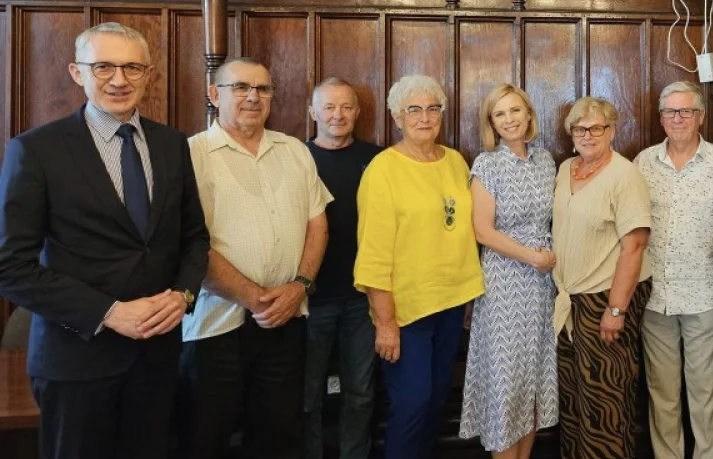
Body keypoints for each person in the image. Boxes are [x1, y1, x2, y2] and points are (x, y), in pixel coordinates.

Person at [0, 22, 209, 459]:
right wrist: (108, 312)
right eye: (103, 67)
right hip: (76, 361)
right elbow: (11, 268)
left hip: (156, 359)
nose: (119, 79)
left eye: (132, 67)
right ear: (77, 72)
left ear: (149, 75)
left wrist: (183, 294)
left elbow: (194, 237)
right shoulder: (36, 151)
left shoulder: (172, 145)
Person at [179, 56, 333, 459]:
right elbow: (189, 242)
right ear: (214, 95)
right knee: (205, 438)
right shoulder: (190, 154)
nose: (253, 96)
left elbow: (317, 225)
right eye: (240, 87)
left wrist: (299, 287)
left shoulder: (294, 150)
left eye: (263, 88)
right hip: (214, 325)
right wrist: (256, 298)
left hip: (286, 320)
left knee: (279, 438)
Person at [355, 74, 484, 459]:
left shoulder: (456, 161)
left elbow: (462, 233)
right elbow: (373, 252)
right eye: (414, 109)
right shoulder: (383, 169)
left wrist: (469, 296)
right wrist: (385, 322)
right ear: (397, 117)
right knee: (412, 403)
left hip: (451, 304)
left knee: (436, 401)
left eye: (432, 108)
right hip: (405, 311)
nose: (425, 117)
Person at [634, 81, 713, 459]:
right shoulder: (643, 162)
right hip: (654, 295)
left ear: (701, 117)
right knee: (662, 393)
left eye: (686, 111)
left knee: (706, 391)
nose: (678, 118)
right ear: (661, 118)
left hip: (705, 294)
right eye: (670, 112)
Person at [459, 84, 558, 459]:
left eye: (515, 110)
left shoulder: (545, 160)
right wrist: (532, 257)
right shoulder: (487, 164)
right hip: (504, 283)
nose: (509, 119)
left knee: (531, 382)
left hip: (542, 286)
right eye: (500, 114)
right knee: (507, 382)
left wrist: (544, 261)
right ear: (491, 123)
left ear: (529, 114)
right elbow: (483, 232)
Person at [552, 96, 653, 459]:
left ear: (612, 131)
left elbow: (635, 246)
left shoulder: (624, 175)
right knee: (573, 399)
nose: (588, 135)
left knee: (605, 402)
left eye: (596, 128)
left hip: (605, 299)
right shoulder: (566, 169)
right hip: (569, 302)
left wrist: (616, 309)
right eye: (580, 129)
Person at [303, 77, 384, 459]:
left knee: (361, 394)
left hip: (363, 298)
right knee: (307, 396)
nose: (338, 115)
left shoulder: (379, 161)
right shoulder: (296, 158)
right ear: (313, 112)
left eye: (346, 107)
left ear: (358, 112)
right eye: (329, 107)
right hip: (309, 299)